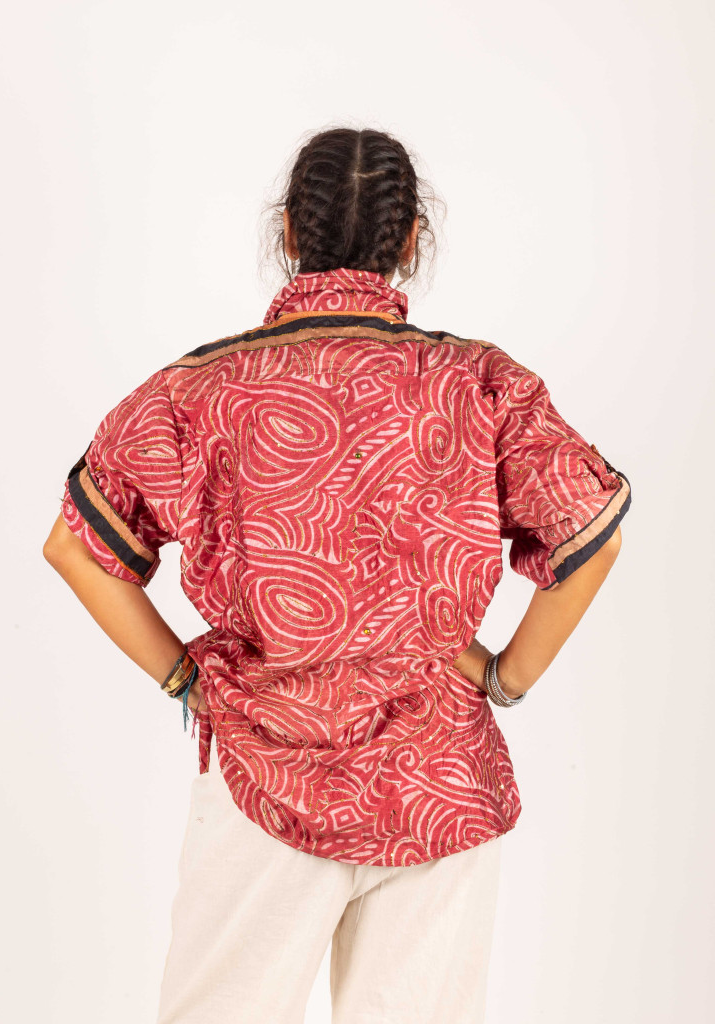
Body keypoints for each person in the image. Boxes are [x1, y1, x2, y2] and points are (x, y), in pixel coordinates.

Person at [43, 126, 632, 1024]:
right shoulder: (479, 382)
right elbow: (593, 535)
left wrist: (184, 679)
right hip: (439, 778)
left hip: (261, 767)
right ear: (410, 240)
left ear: (288, 231)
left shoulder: (199, 391)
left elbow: (74, 548)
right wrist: (504, 677)